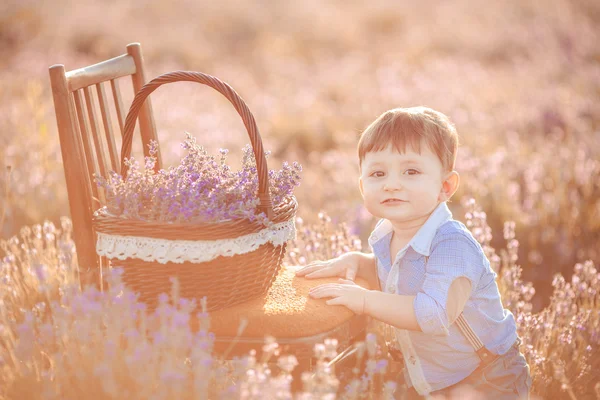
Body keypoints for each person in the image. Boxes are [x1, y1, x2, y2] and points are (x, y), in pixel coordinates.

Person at [295, 107, 532, 399]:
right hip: (433, 377)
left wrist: (365, 301)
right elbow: (395, 278)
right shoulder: (388, 235)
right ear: (362, 186)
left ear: (445, 187)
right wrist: (357, 263)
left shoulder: (453, 245)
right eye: (377, 173)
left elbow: (432, 314)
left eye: (411, 171)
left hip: (488, 375)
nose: (391, 183)